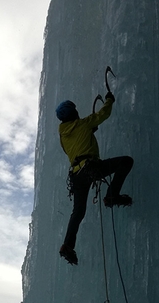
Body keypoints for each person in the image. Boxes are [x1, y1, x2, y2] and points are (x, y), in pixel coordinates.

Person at [56, 95, 133, 265]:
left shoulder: (63, 136)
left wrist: (88, 132)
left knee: (78, 212)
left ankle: (67, 245)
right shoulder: (84, 123)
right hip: (91, 167)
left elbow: (76, 144)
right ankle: (112, 195)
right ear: (73, 113)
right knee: (126, 162)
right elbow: (103, 114)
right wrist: (109, 100)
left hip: (76, 176)